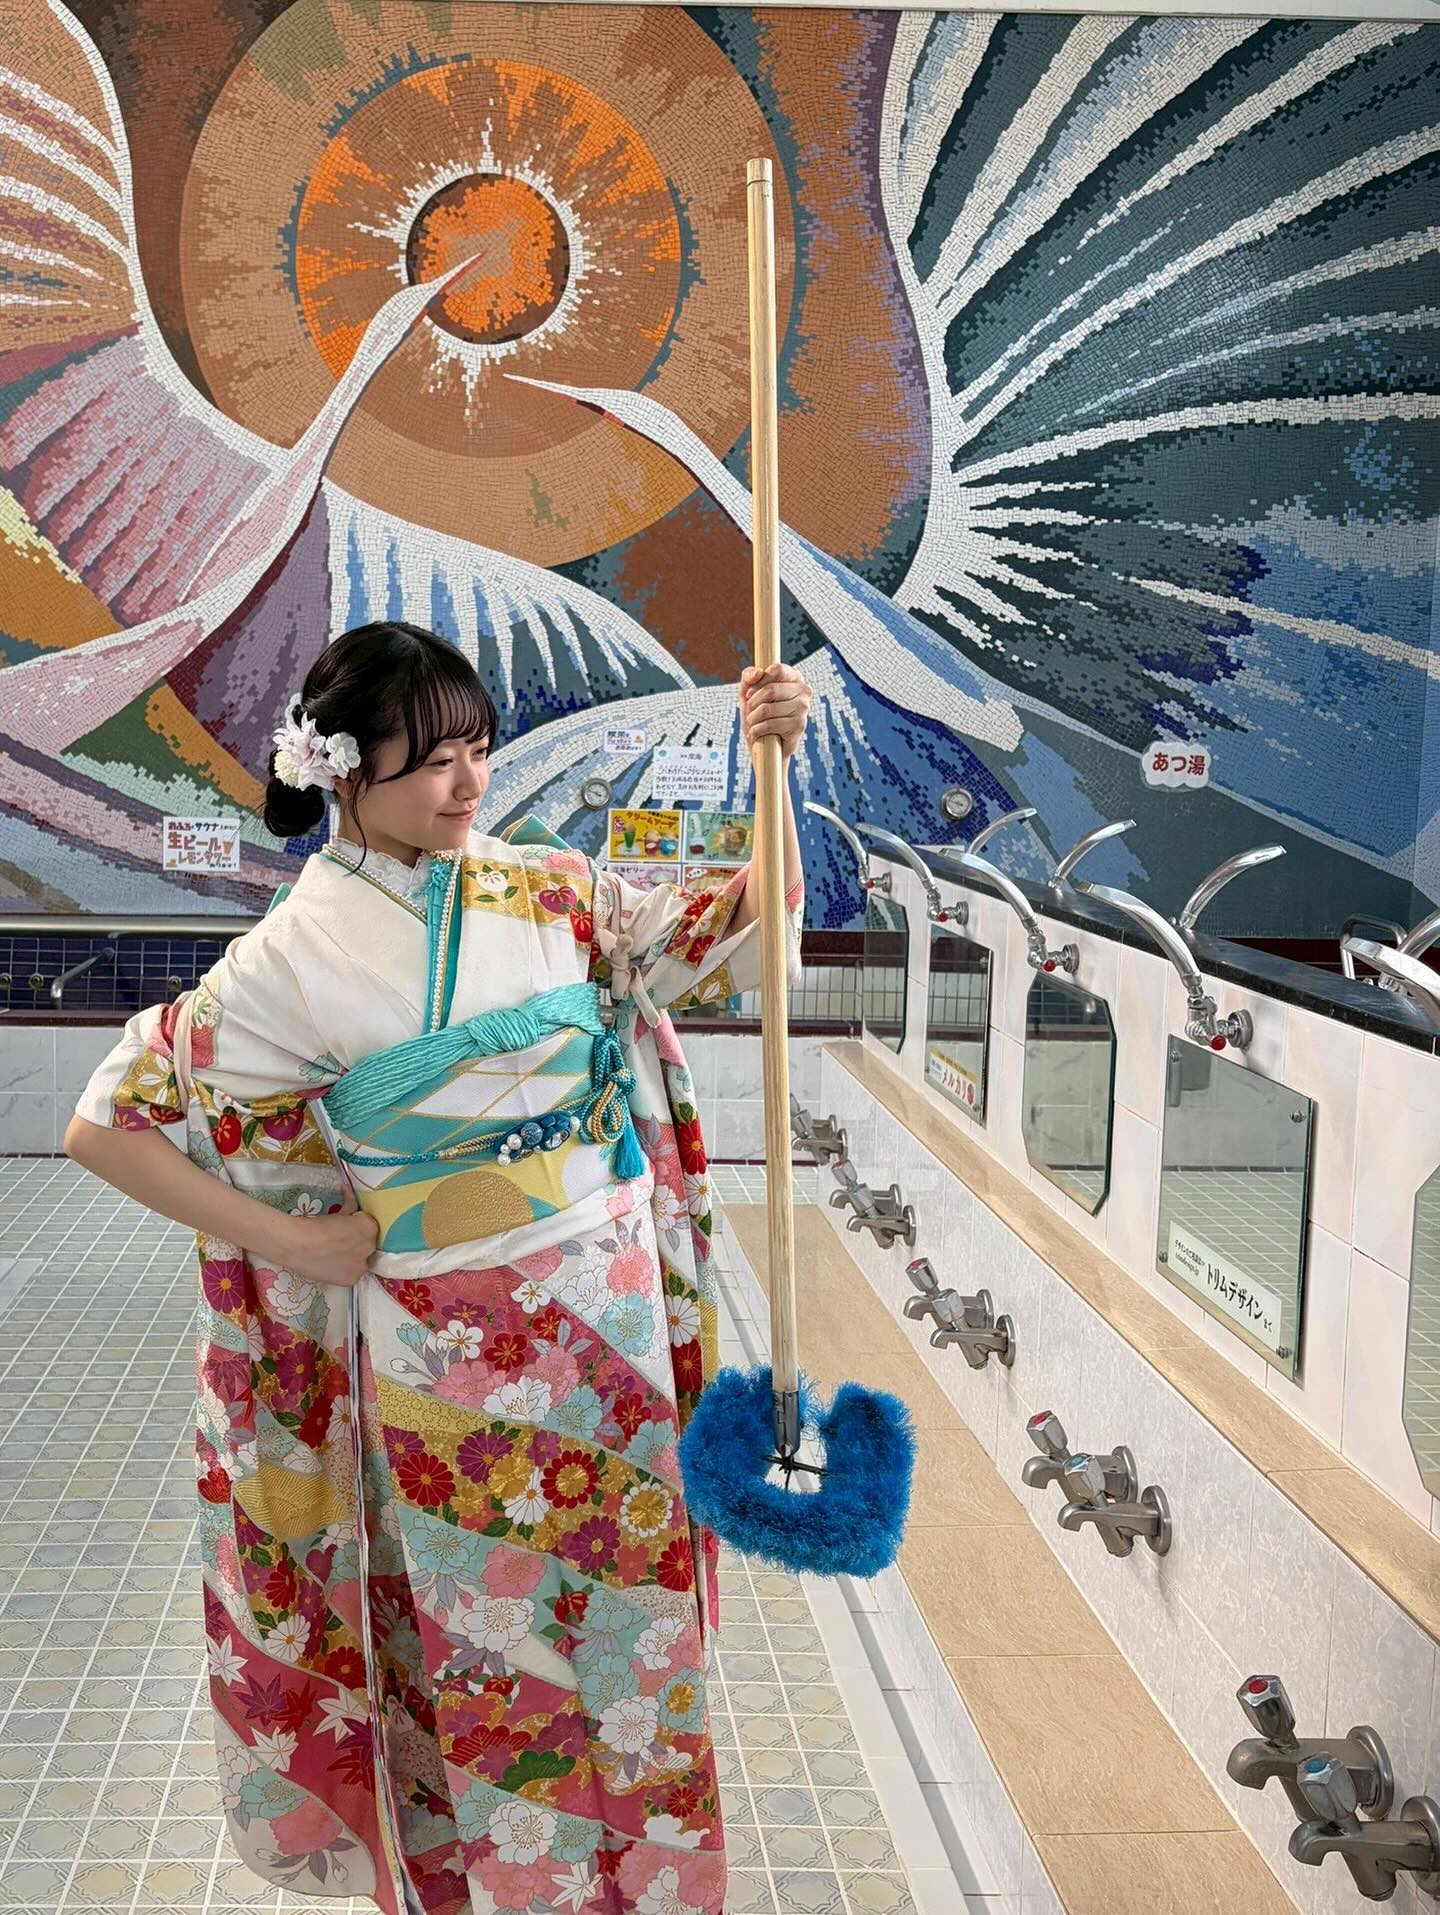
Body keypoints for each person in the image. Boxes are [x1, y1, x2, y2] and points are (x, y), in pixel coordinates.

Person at [65, 621, 811, 1915]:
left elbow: (738, 928)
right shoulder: (288, 958)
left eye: (478, 750)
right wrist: (292, 1239)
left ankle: (655, 1889)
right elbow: (104, 1123)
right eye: (432, 762)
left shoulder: (549, 889)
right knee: (488, 1642)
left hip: (610, 1322)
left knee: (634, 1632)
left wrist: (774, 770)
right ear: (343, 771)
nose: (469, 784)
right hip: (447, 1354)